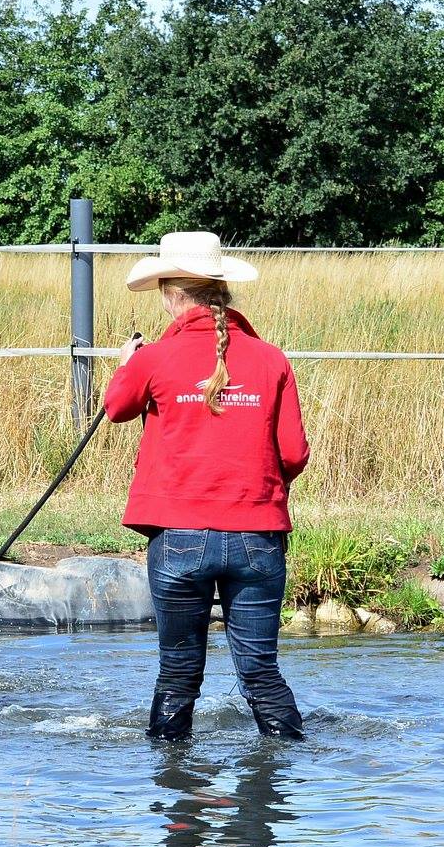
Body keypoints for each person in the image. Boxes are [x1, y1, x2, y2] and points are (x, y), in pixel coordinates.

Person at [104, 231, 310, 741]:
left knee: (176, 674)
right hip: (257, 536)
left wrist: (128, 361)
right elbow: (293, 454)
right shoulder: (271, 358)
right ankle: (278, 790)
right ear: (221, 287)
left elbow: (115, 408)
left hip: (177, 538)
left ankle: (177, 802)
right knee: (261, 673)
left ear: (172, 293)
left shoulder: (154, 359)